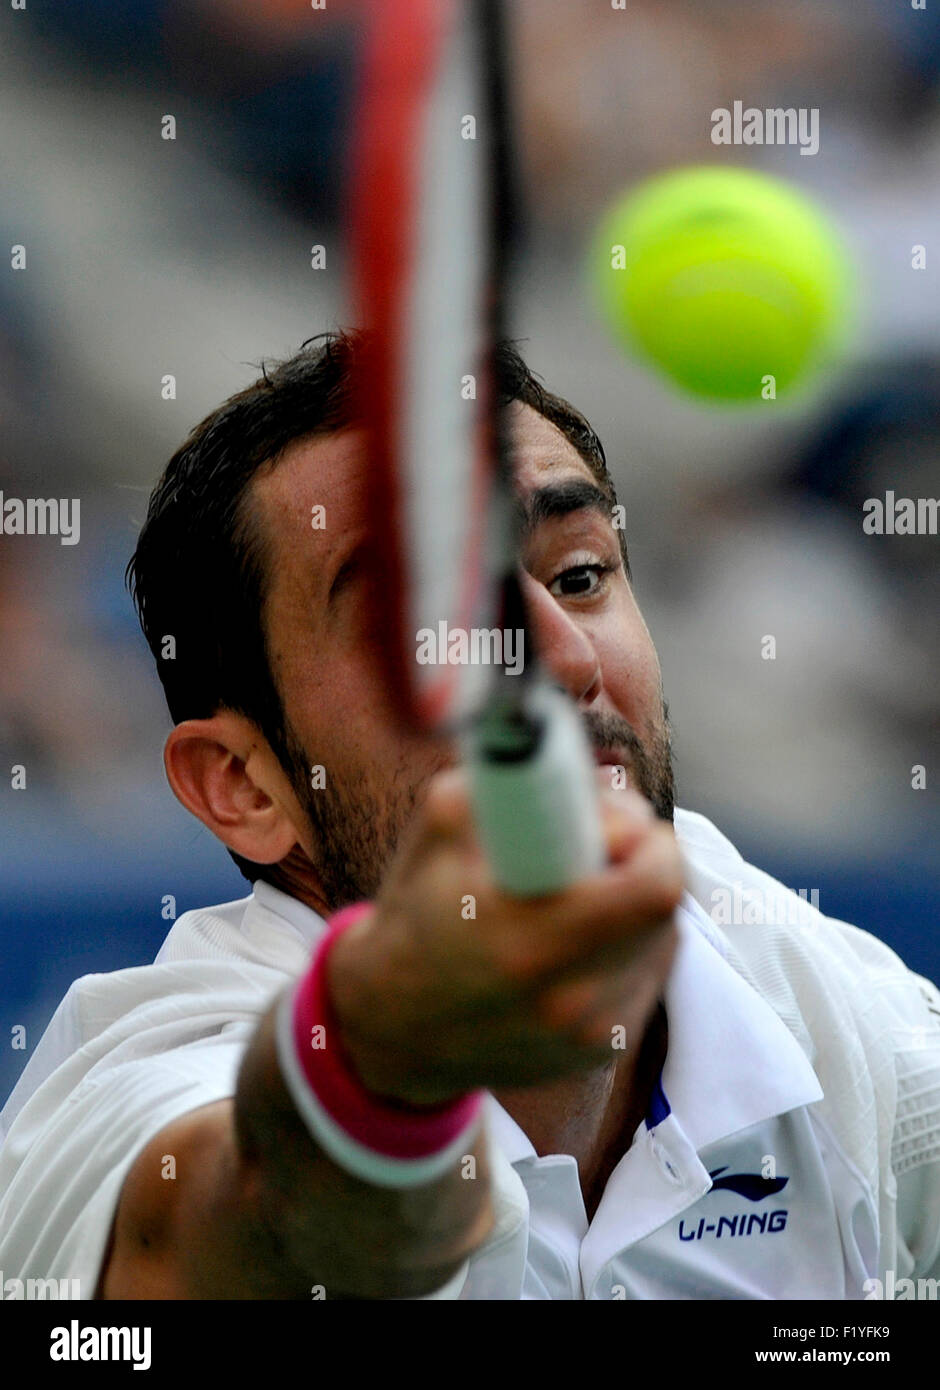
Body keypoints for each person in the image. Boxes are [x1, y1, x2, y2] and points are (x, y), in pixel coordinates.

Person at [1, 332, 937, 1301]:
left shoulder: (831, 1008)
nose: (563, 659)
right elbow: (244, 1227)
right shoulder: (142, 1094)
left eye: (578, 575)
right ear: (243, 784)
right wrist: (388, 1066)